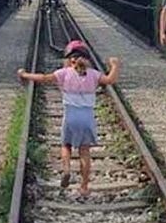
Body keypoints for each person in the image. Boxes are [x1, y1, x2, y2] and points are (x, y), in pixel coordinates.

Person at [18, 40, 119, 196]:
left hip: (71, 116)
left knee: (66, 145)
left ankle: (66, 169)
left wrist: (24, 74)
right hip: (87, 117)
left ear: (69, 59)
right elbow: (110, 80)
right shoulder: (93, 75)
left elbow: (43, 78)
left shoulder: (64, 73)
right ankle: (84, 186)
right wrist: (114, 65)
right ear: (87, 59)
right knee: (84, 151)